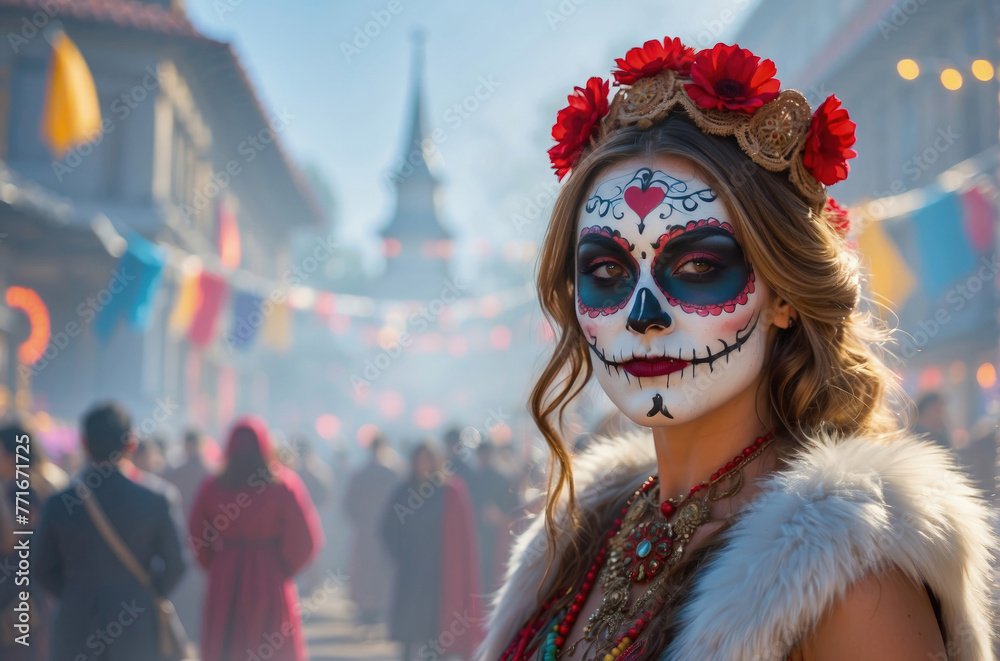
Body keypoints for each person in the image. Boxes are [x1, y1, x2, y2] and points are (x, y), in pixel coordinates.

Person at [477, 36, 996, 661]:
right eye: (609, 274)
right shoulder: (578, 539)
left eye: (697, 267)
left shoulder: (850, 576)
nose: (643, 316)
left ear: (782, 294)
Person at [35, 402, 187, 661]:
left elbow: (40, 568)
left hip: (75, 626)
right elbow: (177, 563)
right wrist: (146, 593)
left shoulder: (59, 503)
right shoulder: (156, 499)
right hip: (136, 625)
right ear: (131, 444)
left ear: (83, 443)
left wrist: (74, 594)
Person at [188, 415, 324, 661]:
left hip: (225, 575)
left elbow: (197, 536)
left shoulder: (213, 486)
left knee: (226, 645)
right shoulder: (283, 485)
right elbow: (306, 540)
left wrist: (217, 564)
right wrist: (281, 567)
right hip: (269, 575)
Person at [381, 439, 483, 661]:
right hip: (411, 567)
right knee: (409, 623)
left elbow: (464, 535)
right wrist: (401, 554)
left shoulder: (449, 491)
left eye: (428, 460)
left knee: (435, 623)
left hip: (440, 568)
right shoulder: (404, 491)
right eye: (419, 460)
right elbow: (388, 527)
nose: (423, 465)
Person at [343, 433, 401, 630]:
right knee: (379, 569)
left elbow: (349, 505)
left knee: (367, 569)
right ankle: (378, 607)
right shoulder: (392, 474)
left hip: (367, 529)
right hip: (384, 530)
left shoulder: (360, 474)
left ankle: (368, 608)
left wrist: (359, 520)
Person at [162, 427, 214, 642]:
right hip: (207, 544)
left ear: (185, 445)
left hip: (179, 542)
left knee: (182, 600)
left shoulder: (171, 474)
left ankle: (184, 640)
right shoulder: (213, 475)